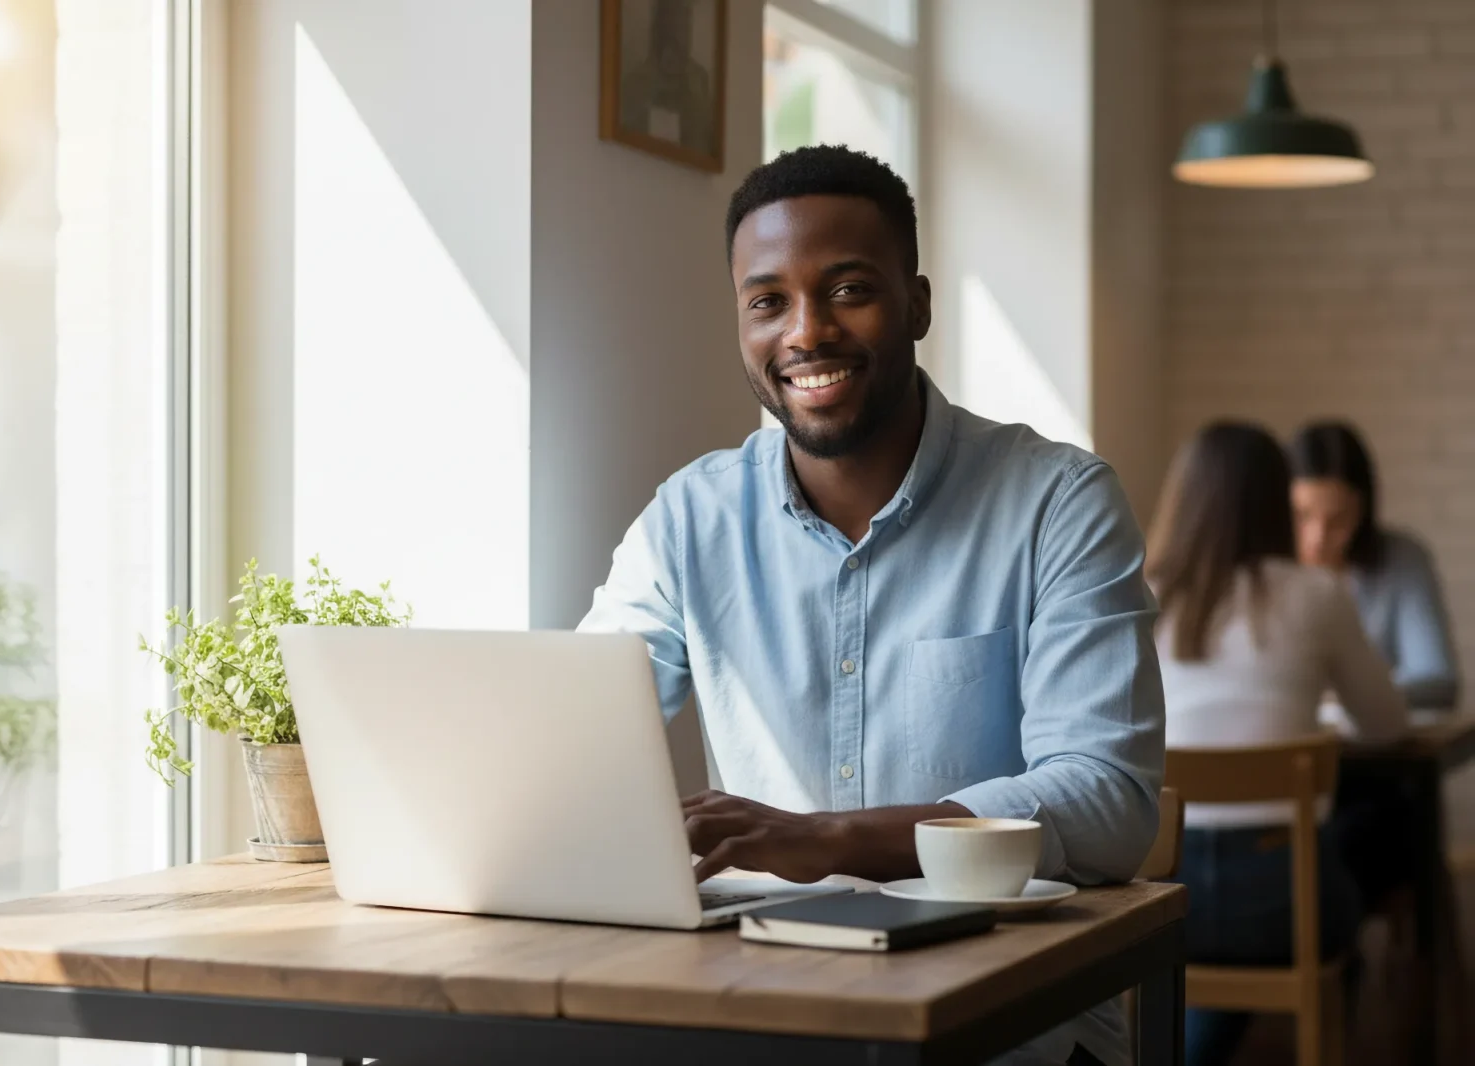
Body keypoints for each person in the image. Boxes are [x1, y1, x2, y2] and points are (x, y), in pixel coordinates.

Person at [580, 145, 1164, 1066]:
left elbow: (1107, 803)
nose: (806, 332)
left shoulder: (1058, 502)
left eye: (849, 289)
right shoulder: (691, 517)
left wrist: (823, 838)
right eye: (768, 301)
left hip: (1012, 1024)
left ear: (919, 303)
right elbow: (578, 732)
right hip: (766, 1004)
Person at [1149, 422, 1408, 1066]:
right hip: (1284, 905)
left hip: (1159, 897)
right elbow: (1386, 725)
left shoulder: (1140, 597)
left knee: (1208, 945)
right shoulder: (1316, 594)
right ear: (1276, 501)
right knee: (1373, 844)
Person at [1289, 421, 1459, 711]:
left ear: (1363, 510)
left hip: (1375, 749)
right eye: (1303, 515)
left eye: (1338, 518)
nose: (1317, 537)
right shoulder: (1264, 571)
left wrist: (1340, 699)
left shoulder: (1401, 560)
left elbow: (1437, 679)